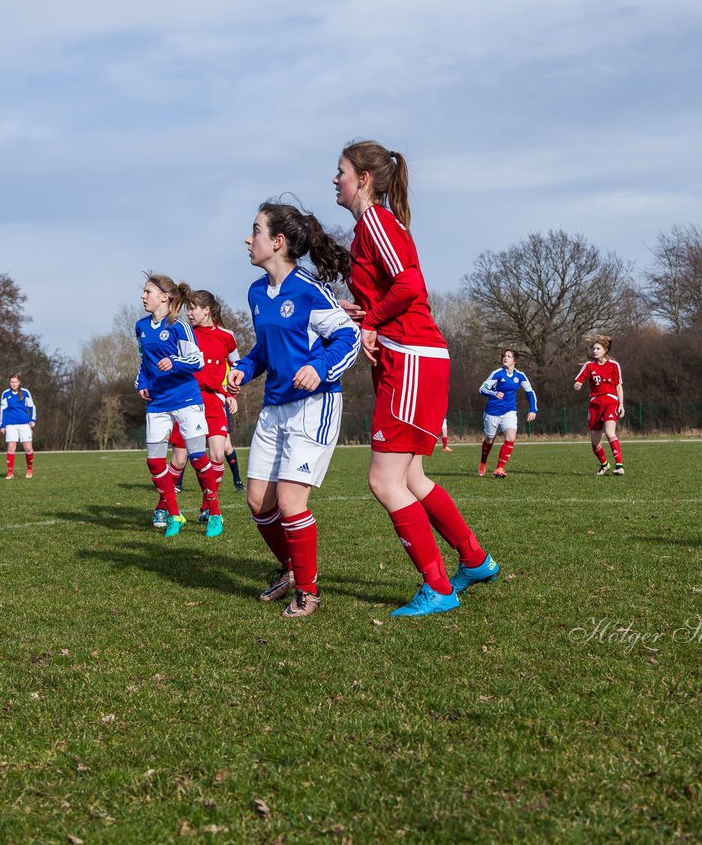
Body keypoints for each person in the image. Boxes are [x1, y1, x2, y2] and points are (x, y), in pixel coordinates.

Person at [335, 139, 497, 617]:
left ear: (363, 179)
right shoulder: (374, 227)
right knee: (411, 476)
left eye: (340, 171)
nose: (335, 180)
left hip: (410, 358)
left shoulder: (375, 220)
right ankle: (474, 559)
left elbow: (410, 284)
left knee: (384, 481)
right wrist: (364, 312)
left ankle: (439, 589)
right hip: (415, 357)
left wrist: (371, 323)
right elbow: (394, 288)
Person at [226, 200, 360, 618]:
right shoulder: (256, 293)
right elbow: (265, 350)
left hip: (313, 406)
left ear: (277, 242)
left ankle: (309, 591)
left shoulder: (308, 291)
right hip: (275, 407)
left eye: (256, 231)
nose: (248, 240)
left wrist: (319, 368)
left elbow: (349, 339)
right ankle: (289, 570)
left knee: (289, 502)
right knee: (258, 503)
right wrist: (244, 369)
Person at [136, 273, 216, 538]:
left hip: (185, 399)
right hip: (157, 403)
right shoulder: (141, 327)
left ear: (164, 297)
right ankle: (174, 514)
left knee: (196, 457)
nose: (142, 296)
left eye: (147, 292)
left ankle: (214, 512)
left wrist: (174, 362)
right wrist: (142, 383)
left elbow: (197, 361)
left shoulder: (180, 326)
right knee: (154, 462)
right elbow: (143, 361)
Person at [153, 291, 239, 534]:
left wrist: (230, 393)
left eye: (193, 309)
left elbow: (236, 365)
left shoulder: (227, 337)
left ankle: (208, 508)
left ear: (206, 310)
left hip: (213, 402)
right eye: (187, 309)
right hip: (187, 400)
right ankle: (163, 507)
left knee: (218, 454)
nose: (189, 313)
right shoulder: (183, 333)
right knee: (179, 460)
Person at [478, 349, 538, 477]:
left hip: (509, 411)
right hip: (492, 411)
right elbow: (482, 389)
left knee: (510, 438)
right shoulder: (497, 374)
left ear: (514, 361)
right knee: (489, 440)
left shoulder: (520, 376)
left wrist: (533, 409)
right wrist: (494, 393)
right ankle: (483, 462)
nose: (505, 358)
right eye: (504, 356)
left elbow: (530, 392)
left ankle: (500, 468)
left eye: (509, 356)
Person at [573, 335, 625, 476]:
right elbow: (579, 380)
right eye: (593, 348)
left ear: (605, 350)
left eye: (598, 348)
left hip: (610, 401)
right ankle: (604, 464)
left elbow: (618, 386)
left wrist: (621, 404)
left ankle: (619, 465)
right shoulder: (589, 366)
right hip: (595, 404)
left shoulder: (614, 365)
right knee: (595, 442)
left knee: (609, 432)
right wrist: (577, 384)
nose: (595, 351)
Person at [0, 374, 36, 479]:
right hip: (10, 424)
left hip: (24, 423)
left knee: (28, 448)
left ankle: (29, 469)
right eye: (11, 382)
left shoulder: (25, 392)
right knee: (11, 447)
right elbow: (3, 410)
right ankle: (10, 473)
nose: (13, 384)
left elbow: (32, 406)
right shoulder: (5, 394)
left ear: (19, 382)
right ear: (9, 383)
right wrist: (2, 425)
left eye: (15, 382)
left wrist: (32, 419)